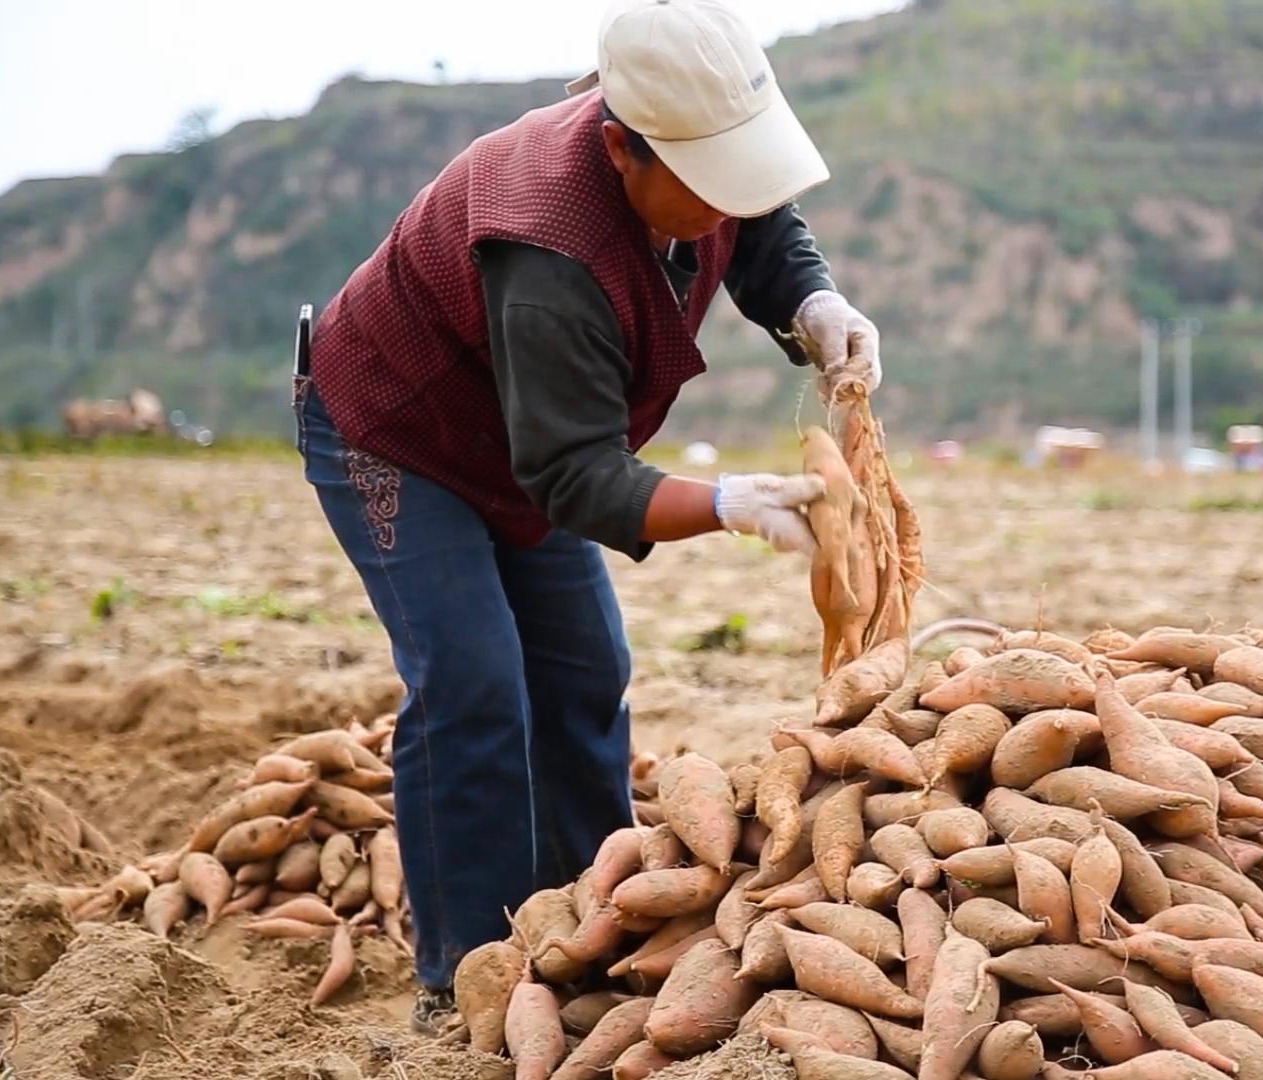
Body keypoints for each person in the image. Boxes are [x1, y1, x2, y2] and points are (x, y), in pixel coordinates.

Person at [291, 0, 882, 1032]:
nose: (720, 204)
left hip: (530, 441)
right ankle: (464, 969)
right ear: (620, 148)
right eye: (701, 186)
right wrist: (730, 505)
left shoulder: (696, 165)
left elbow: (762, 224)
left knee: (585, 670)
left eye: (732, 175)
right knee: (472, 679)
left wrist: (814, 302)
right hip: (398, 432)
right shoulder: (546, 244)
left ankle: (593, 913)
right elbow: (573, 478)